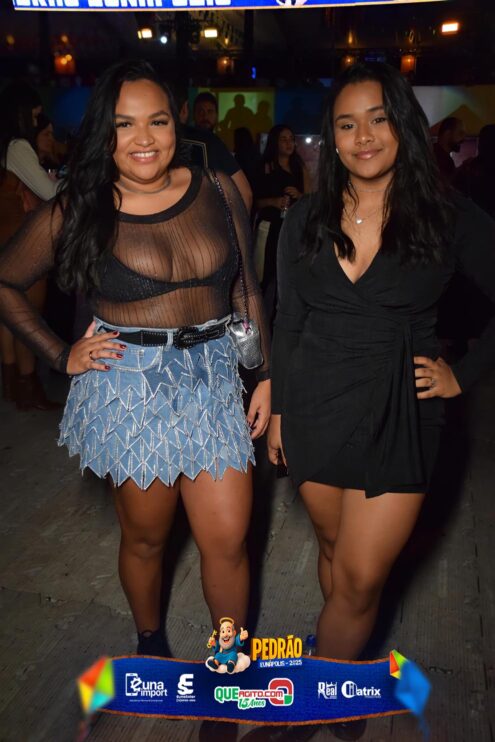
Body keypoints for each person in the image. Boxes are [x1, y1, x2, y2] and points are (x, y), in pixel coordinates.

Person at [0, 60, 270, 657]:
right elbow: (6, 281)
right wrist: (59, 353)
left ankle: (230, 661)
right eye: (125, 124)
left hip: (213, 378)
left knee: (228, 539)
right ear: (105, 132)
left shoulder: (217, 190)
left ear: (178, 124)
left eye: (158, 121)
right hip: (131, 388)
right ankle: (151, 645)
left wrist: (266, 375)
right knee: (147, 539)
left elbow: (246, 288)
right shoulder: (81, 207)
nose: (144, 138)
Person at [267, 62, 495, 741]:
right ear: (332, 137)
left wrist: (464, 372)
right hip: (314, 406)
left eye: (378, 119)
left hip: (401, 411)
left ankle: (309, 704)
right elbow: (288, 319)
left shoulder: (447, 215)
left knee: (362, 578)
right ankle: (346, 682)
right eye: (346, 124)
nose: (363, 136)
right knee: (336, 553)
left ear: (405, 126)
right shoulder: (303, 218)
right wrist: (279, 409)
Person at [0, 81, 60, 410]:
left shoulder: (5, 146)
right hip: (20, 242)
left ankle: (14, 385)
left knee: (8, 316)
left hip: (4, 237)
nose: (37, 121)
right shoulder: (18, 146)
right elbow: (51, 194)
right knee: (27, 315)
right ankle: (29, 386)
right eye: (35, 115)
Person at [254, 124, 311, 324]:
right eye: (284, 139)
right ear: (274, 142)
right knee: (263, 274)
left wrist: (300, 195)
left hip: (292, 228)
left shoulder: (298, 167)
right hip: (269, 227)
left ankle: (281, 320)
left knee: (287, 275)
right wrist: (274, 201)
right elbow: (253, 201)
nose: (289, 143)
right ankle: (259, 320)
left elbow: (310, 198)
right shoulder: (265, 167)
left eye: (291, 139)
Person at [178, 87, 253, 212]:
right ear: (193, 114)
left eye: (210, 111)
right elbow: (246, 194)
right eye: (200, 111)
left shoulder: (175, 138)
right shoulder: (211, 141)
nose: (205, 116)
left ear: (217, 115)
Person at [433, 116, 465, 183]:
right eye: (460, 133)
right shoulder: (436, 157)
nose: (463, 138)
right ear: (447, 134)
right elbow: (442, 184)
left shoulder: (435, 153)